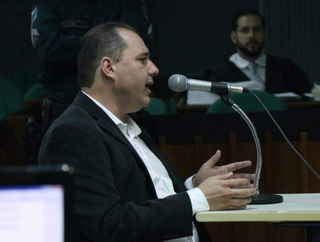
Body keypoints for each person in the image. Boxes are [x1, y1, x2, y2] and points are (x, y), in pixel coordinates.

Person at [38, 22, 256, 242]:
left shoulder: (131, 124)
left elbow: (146, 199)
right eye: (142, 60)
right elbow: (107, 227)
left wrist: (195, 185)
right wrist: (197, 198)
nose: (154, 69)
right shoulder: (74, 132)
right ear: (109, 68)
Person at [31, 0, 152, 127]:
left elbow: (138, 48)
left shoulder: (125, 3)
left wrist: (75, 46)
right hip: (66, 106)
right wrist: (112, 45)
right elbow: (49, 49)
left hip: (121, 106)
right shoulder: (49, 3)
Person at [208, 9, 312, 95]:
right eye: (245, 30)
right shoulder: (220, 74)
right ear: (234, 37)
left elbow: (308, 96)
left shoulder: (287, 68)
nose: (251, 35)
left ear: (265, 34)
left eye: (257, 29)